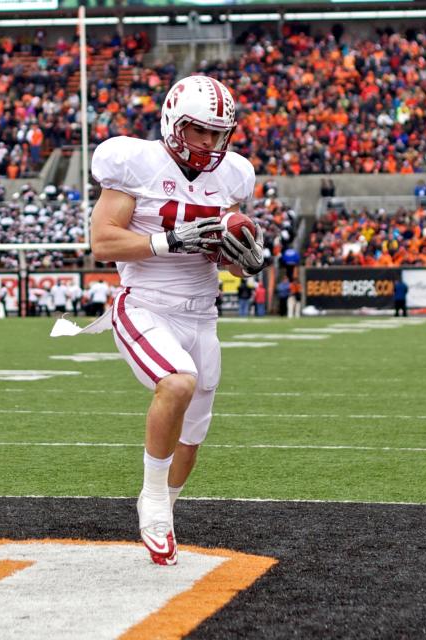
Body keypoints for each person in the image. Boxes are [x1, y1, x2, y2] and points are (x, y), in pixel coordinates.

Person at [87, 75, 264, 565]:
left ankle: (165, 505)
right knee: (178, 383)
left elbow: (225, 253)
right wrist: (169, 240)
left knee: (192, 437)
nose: (208, 142)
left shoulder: (231, 175)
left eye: (217, 133)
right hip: (145, 302)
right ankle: (153, 502)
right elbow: (102, 242)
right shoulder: (135, 162)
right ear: (172, 121)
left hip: (202, 314)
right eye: (198, 130)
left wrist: (244, 256)